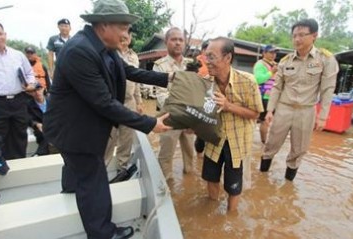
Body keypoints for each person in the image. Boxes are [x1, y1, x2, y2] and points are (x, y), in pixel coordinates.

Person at [43, 0, 173, 238]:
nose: (126, 34)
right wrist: (150, 123)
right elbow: (104, 103)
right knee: (94, 178)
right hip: (73, 129)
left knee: (77, 169)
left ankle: (70, 188)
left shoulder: (104, 48)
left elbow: (130, 72)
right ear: (103, 25)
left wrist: (168, 78)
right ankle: (102, 232)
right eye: (123, 27)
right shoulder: (79, 51)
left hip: (78, 122)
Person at [259, 18, 339, 181]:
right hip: (284, 108)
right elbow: (277, 87)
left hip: (306, 111)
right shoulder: (285, 61)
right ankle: (261, 178)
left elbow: (327, 90)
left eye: (302, 35)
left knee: (299, 150)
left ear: (314, 36)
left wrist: (322, 117)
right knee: (271, 144)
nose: (297, 39)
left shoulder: (325, 59)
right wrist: (270, 110)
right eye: (294, 35)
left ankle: (288, 184)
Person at [201, 37, 263, 212]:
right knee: (210, 177)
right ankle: (211, 212)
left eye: (212, 57)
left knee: (234, 185)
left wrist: (228, 106)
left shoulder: (248, 81)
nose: (207, 62)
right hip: (214, 140)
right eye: (206, 57)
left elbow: (256, 113)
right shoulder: (205, 82)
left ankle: (231, 216)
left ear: (227, 58)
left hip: (237, 142)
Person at [0, 18, 37, 160]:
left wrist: (31, 84)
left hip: (18, 101)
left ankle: (19, 167)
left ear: (5, 34)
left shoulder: (17, 55)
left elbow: (29, 73)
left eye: (0, 33)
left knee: (20, 137)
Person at [153, 27, 194, 180]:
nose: (177, 43)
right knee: (166, 154)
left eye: (180, 40)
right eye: (174, 39)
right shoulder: (159, 66)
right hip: (169, 118)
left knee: (190, 152)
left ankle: (189, 179)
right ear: (166, 42)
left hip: (190, 118)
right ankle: (166, 187)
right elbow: (161, 94)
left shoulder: (192, 65)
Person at [105, 27, 143, 182]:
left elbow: (137, 80)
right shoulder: (108, 53)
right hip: (112, 103)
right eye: (123, 32)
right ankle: (101, 169)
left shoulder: (134, 56)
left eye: (128, 33)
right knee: (109, 139)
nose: (125, 36)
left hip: (130, 102)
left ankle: (122, 170)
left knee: (126, 139)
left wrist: (139, 101)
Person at [253, 45, 279, 144]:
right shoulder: (260, 64)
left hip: (272, 98)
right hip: (262, 96)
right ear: (264, 53)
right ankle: (263, 143)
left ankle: (263, 143)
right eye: (271, 52)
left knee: (265, 121)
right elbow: (258, 79)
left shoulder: (275, 65)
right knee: (261, 120)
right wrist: (271, 72)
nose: (273, 55)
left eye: (275, 53)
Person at [26, 84, 57, 156]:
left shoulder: (52, 101)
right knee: (44, 134)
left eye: (39, 89)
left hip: (54, 126)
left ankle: (39, 153)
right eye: (34, 91)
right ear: (30, 93)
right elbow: (27, 118)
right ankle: (40, 153)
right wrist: (36, 124)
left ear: (43, 89)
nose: (37, 93)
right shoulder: (28, 105)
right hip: (39, 128)